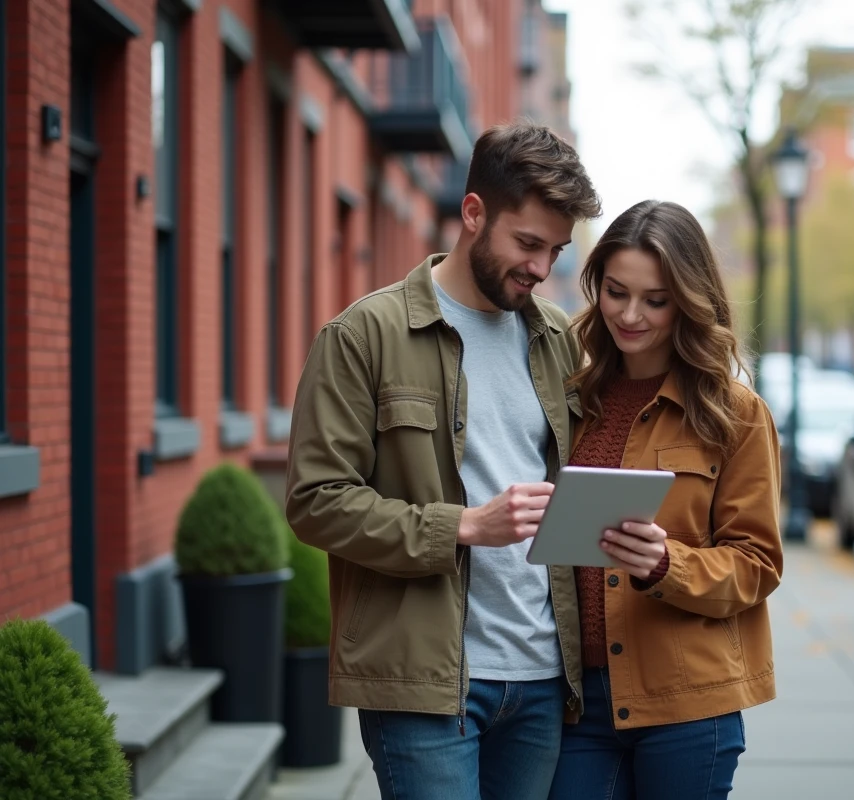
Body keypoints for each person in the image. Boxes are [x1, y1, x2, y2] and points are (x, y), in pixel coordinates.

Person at [285, 121, 601, 800]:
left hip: (543, 675)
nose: (542, 269)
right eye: (527, 244)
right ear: (472, 213)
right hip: (425, 685)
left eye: (555, 250)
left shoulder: (556, 341)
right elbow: (315, 501)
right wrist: (461, 526)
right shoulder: (363, 335)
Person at [548, 200, 785, 800]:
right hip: (577, 700)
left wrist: (665, 564)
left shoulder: (735, 414)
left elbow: (757, 564)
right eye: (615, 291)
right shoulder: (569, 401)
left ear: (688, 299)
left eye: (655, 299)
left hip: (688, 702)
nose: (630, 315)